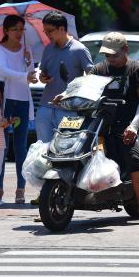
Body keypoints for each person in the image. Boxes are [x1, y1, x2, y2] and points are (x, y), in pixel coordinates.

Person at [87, 32, 139, 224]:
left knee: (134, 160)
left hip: (126, 125)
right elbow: (84, 87)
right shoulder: (99, 69)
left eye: (114, 55)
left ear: (125, 50)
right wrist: (66, 94)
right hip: (101, 124)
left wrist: (133, 126)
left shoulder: (136, 70)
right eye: (107, 55)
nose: (110, 59)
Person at [32, 11, 92, 205]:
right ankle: (44, 193)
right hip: (45, 106)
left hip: (69, 110)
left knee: (65, 152)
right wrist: (43, 78)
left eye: (50, 31)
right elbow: (43, 74)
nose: (47, 34)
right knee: (44, 151)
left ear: (61, 29)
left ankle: (67, 191)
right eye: (45, 31)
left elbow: (90, 77)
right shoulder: (48, 49)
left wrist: (74, 91)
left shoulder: (79, 49)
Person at [0, 15, 37, 204]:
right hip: (5, 102)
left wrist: (28, 62)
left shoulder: (27, 50)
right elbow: (2, 71)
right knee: (3, 146)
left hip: (23, 101)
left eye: (21, 29)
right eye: (15, 29)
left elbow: (32, 74)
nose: (19, 33)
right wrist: (24, 75)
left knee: (21, 147)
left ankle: (20, 189)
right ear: (6, 30)